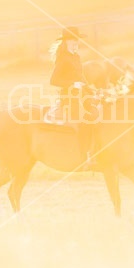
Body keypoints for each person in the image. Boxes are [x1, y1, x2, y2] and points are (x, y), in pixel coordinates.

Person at [48, 26, 96, 167]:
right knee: (84, 120)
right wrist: (72, 84)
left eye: (77, 40)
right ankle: (82, 156)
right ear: (66, 42)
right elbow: (54, 80)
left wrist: (93, 90)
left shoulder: (76, 56)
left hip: (82, 94)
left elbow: (81, 78)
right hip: (69, 97)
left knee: (100, 110)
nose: (76, 42)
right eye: (73, 40)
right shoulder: (62, 58)